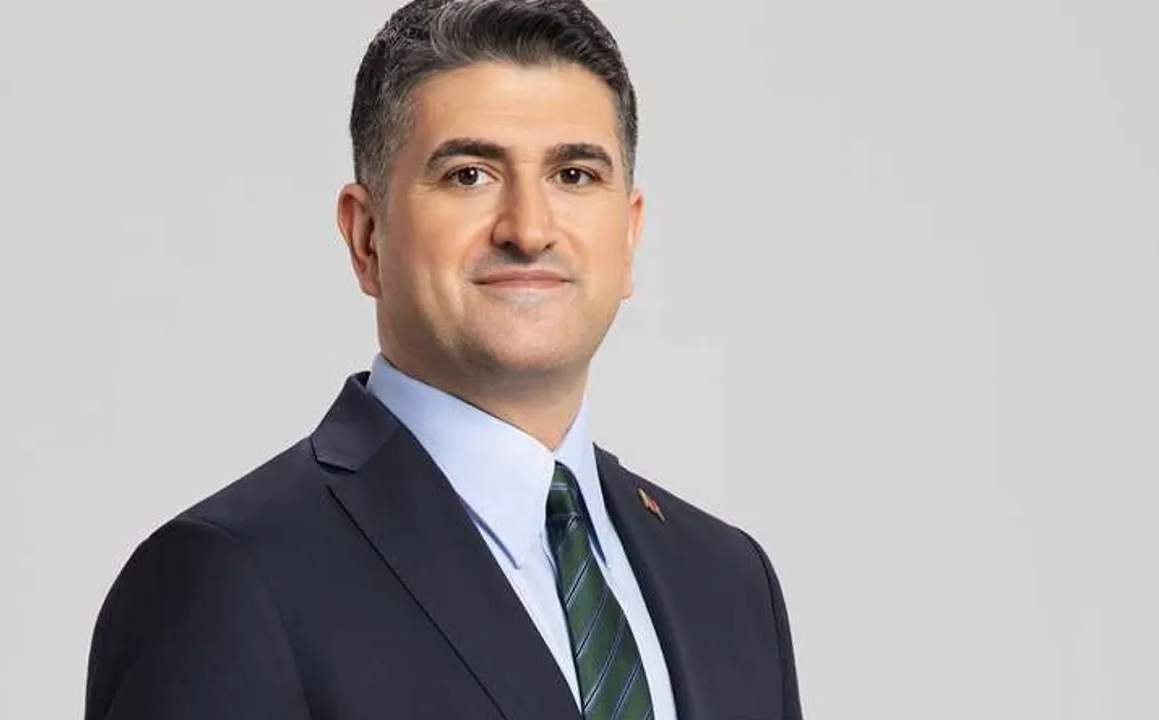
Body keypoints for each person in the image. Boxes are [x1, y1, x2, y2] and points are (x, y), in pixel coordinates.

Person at [83, 1, 802, 718]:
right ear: (367, 237)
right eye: (469, 175)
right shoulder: (229, 579)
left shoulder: (729, 583)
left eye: (575, 175)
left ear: (630, 235)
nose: (529, 230)